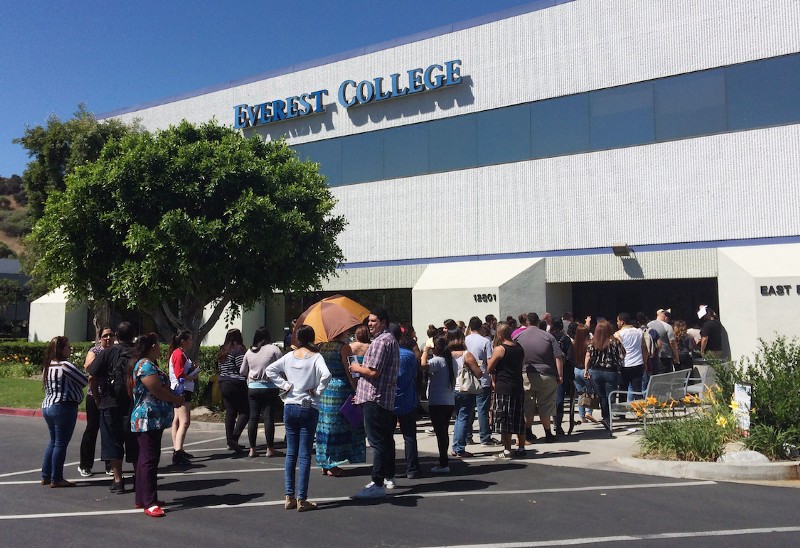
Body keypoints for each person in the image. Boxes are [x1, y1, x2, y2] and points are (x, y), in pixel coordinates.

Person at [266, 325, 331, 512]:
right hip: (309, 405)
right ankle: (302, 499)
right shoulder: (316, 356)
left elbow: (270, 370)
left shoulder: (289, 356)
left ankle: (289, 496)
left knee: (291, 452)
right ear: (312, 338)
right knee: (304, 454)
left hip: (290, 405)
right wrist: (318, 391)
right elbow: (326, 374)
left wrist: (285, 385)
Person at [130, 333, 184, 517]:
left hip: (154, 418)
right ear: (152, 346)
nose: (161, 348)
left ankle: (142, 497)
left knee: (146, 458)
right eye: (158, 345)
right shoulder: (145, 366)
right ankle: (150, 502)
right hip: (147, 418)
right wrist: (175, 399)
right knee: (149, 459)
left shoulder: (148, 365)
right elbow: (156, 390)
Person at [349, 308, 400, 499]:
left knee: (377, 441)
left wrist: (356, 367)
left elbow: (373, 372)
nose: (370, 324)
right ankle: (388, 476)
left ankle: (377, 482)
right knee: (386, 440)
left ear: (384, 322)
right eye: (368, 321)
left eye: (373, 321)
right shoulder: (391, 340)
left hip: (375, 397)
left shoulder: (380, 342)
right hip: (383, 397)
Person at [88, 321, 138, 494]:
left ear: (117, 335)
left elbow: (92, 377)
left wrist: (97, 399)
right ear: (133, 335)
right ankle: (139, 478)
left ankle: (118, 480)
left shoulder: (108, 352)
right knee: (136, 442)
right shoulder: (139, 353)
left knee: (112, 441)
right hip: (134, 404)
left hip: (110, 402)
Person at [315, 329, 365, 476]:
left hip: (325, 390)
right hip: (340, 390)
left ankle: (325, 462)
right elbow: (351, 371)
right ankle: (333, 464)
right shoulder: (345, 348)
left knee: (325, 426)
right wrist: (357, 389)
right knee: (340, 427)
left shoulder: (321, 347)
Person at [41, 336, 87, 488]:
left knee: (53, 441)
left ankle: (46, 475)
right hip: (63, 406)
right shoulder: (65, 366)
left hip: (48, 405)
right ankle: (57, 478)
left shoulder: (49, 366)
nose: (70, 349)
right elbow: (83, 381)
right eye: (67, 346)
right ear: (61, 349)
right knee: (61, 443)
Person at [515, 312, 564, 444]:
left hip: (525, 374)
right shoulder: (548, 336)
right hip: (546, 375)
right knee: (546, 405)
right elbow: (557, 357)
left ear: (527, 322)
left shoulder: (518, 336)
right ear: (538, 322)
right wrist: (560, 375)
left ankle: (528, 432)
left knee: (527, 405)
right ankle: (548, 433)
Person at [240, 327, 283, 458]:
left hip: (253, 387)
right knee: (268, 417)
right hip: (269, 387)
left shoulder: (249, 351)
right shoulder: (274, 349)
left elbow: (242, 371)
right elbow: (282, 366)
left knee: (253, 417)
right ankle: (270, 448)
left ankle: (252, 449)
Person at [78, 327, 114, 477]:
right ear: (100, 338)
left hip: (110, 396)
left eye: (111, 335)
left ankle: (110, 465)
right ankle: (85, 465)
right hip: (94, 396)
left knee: (110, 431)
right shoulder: (95, 351)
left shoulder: (116, 351)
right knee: (92, 429)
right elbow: (89, 367)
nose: (108, 338)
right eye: (105, 336)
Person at [486, 322, 525, 459]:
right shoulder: (519, 348)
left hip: (504, 387)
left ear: (500, 335)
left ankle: (507, 449)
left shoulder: (500, 349)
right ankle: (521, 447)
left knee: (505, 418)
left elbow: (489, 368)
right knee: (518, 417)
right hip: (518, 386)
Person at [388, 324, 420, 481]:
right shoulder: (409, 355)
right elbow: (415, 374)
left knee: (388, 437)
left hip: (389, 400)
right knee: (409, 436)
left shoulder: (385, 354)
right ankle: (412, 468)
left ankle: (390, 469)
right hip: (407, 399)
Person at [421, 336, 456, 473]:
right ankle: (443, 460)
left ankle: (443, 463)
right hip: (449, 401)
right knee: (444, 432)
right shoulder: (450, 361)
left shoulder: (437, 361)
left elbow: (423, 365)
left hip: (437, 402)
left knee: (440, 433)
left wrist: (426, 350)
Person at [584, 320, 624, 431]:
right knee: (610, 396)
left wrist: (586, 369)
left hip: (596, 371)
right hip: (611, 371)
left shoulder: (592, 342)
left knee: (601, 396)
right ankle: (608, 418)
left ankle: (604, 416)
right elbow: (622, 355)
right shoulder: (614, 341)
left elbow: (588, 356)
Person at [465, 316, 497, 446]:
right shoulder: (485, 341)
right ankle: (485, 437)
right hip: (482, 377)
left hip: (467, 378)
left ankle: (467, 436)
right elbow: (489, 360)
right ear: (480, 327)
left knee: (468, 409)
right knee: (482, 410)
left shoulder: (464, 340)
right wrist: (492, 376)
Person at [168, 330, 199, 466]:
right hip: (182, 389)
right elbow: (180, 373)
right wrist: (192, 376)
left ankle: (178, 448)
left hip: (178, 388)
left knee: (177, 420)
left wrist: (191, 368)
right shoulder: (179, 354)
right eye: (190, 340)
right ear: (183, 341)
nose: (191, 342)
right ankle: (178, 452)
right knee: (185, 422)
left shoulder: (179, 354)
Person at [217, 328, 249, 453]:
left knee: (230, 411)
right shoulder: (239, 349)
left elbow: (219, 367)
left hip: (223, 382)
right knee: (245, 411)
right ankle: (234, 439)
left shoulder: (223, 350)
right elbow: (242, 368)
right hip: (236, 382)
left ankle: (229, 440)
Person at [614, 312, 647, 403]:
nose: (616, 323)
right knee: (637, 389)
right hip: (638, 363)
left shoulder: (618, 333)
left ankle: (621, 412)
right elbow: (644, 348)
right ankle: (640, 411)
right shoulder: (639, 332)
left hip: (625, 364)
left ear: (622, 322)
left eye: (617, 321)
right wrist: (645, 361)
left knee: (623, 390)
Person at [550, 319, 574, 436]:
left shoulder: (547, 338)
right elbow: (569, 357)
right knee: (559, 399)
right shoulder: (565, 339)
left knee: (548, 399)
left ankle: (550, 424)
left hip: (548, 372)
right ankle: (557, 425)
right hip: (562, 373)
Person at [571, 323, 595, 423]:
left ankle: (582, 416)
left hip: (576, 370)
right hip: (586, 370)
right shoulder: (589, 344)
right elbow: (589, 357)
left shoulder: (574, 343)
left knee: (580, 393)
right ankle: (589, 412)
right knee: (590, 392)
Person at [648, 309, 679, 374]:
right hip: (665, 356)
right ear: (666, 318)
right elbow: (672, 342)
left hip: (651, 355)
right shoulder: (667, 326)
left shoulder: (648, 325)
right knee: (666, 376)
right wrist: (676, 355)